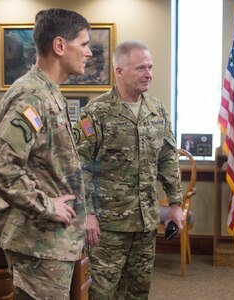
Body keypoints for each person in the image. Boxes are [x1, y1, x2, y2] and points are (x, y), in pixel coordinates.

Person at [0, 8, 92, 299]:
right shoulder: (33, 96)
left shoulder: (49, 92)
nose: (90, 53)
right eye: (83, 44)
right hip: (38, 240)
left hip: (50, 241)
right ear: (59, 46)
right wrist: (47, 205)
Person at [73, 40, 183, 299]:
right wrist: (86, 213)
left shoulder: (157, 111)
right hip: (107, 226)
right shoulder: (96, 112)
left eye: (150, 67)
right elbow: (80, 166)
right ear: (119, 71)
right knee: (103, 293)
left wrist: (176, 204)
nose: (149, 74)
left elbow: (168, 158)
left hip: (145, 223)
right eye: (140, 68)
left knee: (138, 292)